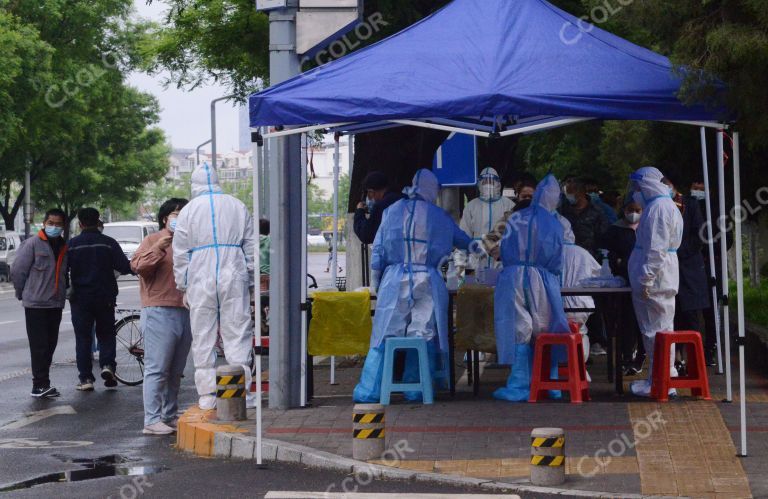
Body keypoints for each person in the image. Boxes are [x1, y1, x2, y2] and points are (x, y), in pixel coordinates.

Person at [353, 169, 481, 403]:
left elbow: (379, 247)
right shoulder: (440, 216)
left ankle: (370, 390)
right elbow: (466, 242)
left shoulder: (392, 211)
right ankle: (418, 387)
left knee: (385, 335)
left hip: (395, 279)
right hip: (428, 281)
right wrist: (486, 248)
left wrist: (375, 279)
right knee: (422, 334)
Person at [173, 163, 255, 411]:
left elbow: (180, 253)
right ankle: (241, 392)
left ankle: (208, 394)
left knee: (203, 334)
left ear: (194, 185)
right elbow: (250, 247)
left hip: (200, 274)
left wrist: (183, 285)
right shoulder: (237, 205)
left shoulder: (187, 211)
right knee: (237, 331)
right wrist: (249, 280)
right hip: (234, 271)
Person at [493, 175, 570, 402]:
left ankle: (518, 385)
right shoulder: (554, 223)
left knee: (520, 329)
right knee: (544, 330)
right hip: (541, 278)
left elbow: (503, 248)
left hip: (512, 276)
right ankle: (550, 384)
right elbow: (557, 259)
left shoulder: (516, 218)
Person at [131, 198, 192, 435]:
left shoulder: (191, 242)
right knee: (157, 367)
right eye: (175, 214)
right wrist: (159, 248)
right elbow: (137, 266)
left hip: (185, 310)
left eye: (184, 213)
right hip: (159, 310)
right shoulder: (153, 240)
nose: (179, 218)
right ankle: (152, 419)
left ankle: (169, 415)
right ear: (165, 217)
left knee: (176, 369)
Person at [627, 167, 683, 397]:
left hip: (656, 280)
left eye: (637, 187)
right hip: (662, 276)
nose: (635, 192)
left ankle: (659, 383)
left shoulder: (658, 208)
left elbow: (655, 250)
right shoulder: (663, 205)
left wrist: (646, 279)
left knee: (654, 331)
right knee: (662, 329)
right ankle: (663, 378)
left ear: (646, 185)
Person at [68, 207, 133, 391]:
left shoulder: (72, 244)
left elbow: (63, 270)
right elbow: (124, 266)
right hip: (105, 297)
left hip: (81, 299)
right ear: (98, 222)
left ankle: (86, 379)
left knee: (83, 338)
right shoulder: (109, 243)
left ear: (80, 223)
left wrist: (67, 289)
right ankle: (108, 366)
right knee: (106, 334)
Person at [11, 209, 68, 398]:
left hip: (55, 304)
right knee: (39, 346)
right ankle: (39, 385)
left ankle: (44, 383)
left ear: (63, 226)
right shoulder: (32, 244)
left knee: (50, 345)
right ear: (44, 223)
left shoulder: (63, 246)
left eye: (58, 224)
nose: (54, 227)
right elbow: (18, 270)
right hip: (36, 305)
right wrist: (22, 293)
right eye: (51, 222)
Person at [664, 175, 710, 374]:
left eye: (667, 184)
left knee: (691, 316)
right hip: (668, 270)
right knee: (672, 317)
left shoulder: (690, 205)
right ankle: (676, 360)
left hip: (688, 269)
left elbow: (699, 235)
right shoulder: (658, 207)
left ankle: (694, 363)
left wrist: (677, 253)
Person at [600, 200, 645, 374]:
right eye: (630, 210)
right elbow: (607, 251)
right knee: (627, 320)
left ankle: (641, 355)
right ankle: (627, 356)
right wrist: (618, 261)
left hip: (642, 279)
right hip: (623, 280)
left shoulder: (645, 228)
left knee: (642, 322)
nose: (633, 213)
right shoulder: (615, 229)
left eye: (637, 210)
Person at [455, 168, 515, 274]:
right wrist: (460, 267)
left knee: (500, 287)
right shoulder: (471, 206)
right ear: (479, 184)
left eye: (492, 181)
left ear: (498, 184)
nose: (488, 184)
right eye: (485, 181)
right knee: (476, 289)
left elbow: (515, 237)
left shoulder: (509, 205)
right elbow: (463, 236)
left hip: (501, 259)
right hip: (476, 260)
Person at [559, 178, 610, 258]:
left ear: (581, 193)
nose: (568, 196)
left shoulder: (597, 212)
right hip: (566, 257)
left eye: (571, 193)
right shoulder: (563, 210)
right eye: (567, 193)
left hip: (589, 258)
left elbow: (603, 237)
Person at [353, 171, 406, 245]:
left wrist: (359, 211)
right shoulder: (404, 199)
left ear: (371, 192)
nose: (368, 197)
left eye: (368, 193)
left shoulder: (381, 206)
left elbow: (366, 235)